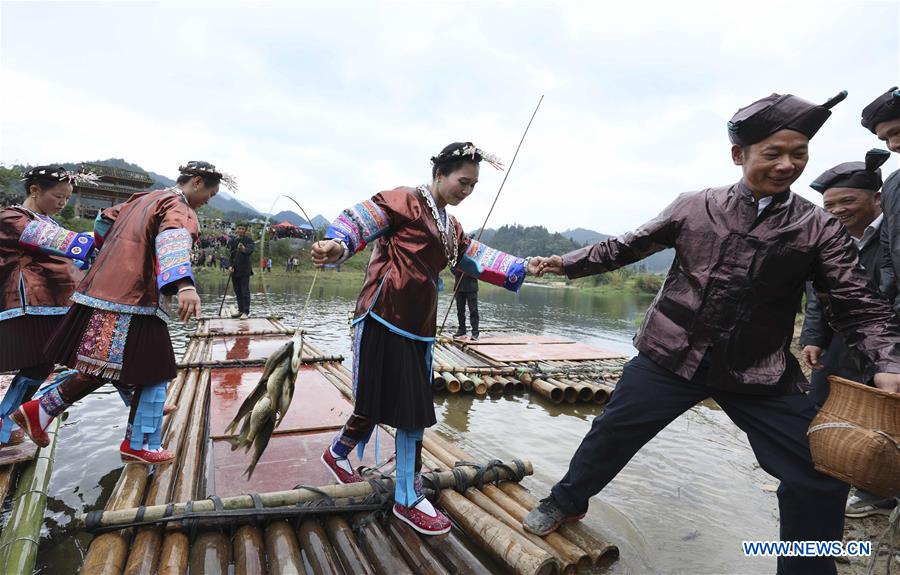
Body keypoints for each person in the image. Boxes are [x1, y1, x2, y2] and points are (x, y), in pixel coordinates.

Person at [526, 91, 900, 575]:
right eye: (774, 153)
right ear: (738, 155)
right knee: (612, 434)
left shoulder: (817, 227)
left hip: (757, 371)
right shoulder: (695, 206)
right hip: (670, 354)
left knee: (819, 473)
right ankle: (568, 500)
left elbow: (857, 302)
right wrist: (566, 262)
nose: (788, 165)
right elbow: (626, 246)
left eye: (799, 154)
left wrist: (889, 361)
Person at [312, 142, 539, 535]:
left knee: (385, 403)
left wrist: (522, 265)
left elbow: (475, 256)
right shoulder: (406, 201)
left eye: (472, 186)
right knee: (407, 411)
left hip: (418, 328)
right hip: (384, 316)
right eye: (462, 181)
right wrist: (337, 243)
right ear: (440, 173)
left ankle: (338, 453)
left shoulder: (450, 227)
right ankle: (406, 497)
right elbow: (361, 220)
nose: (466, 191)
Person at [13, 161, 234, 464]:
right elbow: (172, 239)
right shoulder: (179, 208)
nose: (210, 199)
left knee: (111, 366)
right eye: (210, 192)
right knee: (153, 368)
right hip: (134, 297)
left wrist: (114, 256)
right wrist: (183, 284)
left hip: (106, 291)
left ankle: (41, 411)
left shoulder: (141, 199)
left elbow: (104, 222)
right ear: (196, 182)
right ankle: (139, 443)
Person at [0, 166, 96, 446]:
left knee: (40, 365)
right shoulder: (12, 218)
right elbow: (57, 243)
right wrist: (101, 237)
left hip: (53, 303)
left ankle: (7, 419)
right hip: (29, 303)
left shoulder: (49, 223)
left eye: (67, 198)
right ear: (34, 190)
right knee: (83, 356)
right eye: (58, 196)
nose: (63, 203)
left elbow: (73, 256)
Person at [800, 149, 890, 406]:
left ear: (877, 198)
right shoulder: (827, 242)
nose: (838, 210)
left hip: (889, 342)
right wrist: (813, 339)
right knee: (824, 408)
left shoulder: (892, 236)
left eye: (847, 201)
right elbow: (817, 295)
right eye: (829, 205)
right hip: (840, 342)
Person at [861, 87, 900, 312]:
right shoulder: (893, 186)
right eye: (886, 139)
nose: (893, 145)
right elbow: (888, 257)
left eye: (897, 132)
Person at [451, 243, 480, 339]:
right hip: (459, 287)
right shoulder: (457, 256)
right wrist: (460, 269)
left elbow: (478, 271)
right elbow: (453, 270)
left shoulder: (475, 258)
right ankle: (462, 330)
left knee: (473, 310)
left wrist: (468, 269)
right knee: (460, 310)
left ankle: (475, 332)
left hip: (471, 287)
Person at [228, 223, 255, 319]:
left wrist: (243, 249)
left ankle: (246, 312)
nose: (241, 230)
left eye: (243, 229)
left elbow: (249, 250)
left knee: (244, 291)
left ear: (246, 230)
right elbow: (230, 255)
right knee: (237, 291)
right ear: (236, 230)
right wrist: (230, 266)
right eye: (239, 228)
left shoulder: (249, 240)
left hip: (245, 270)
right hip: (235, 270)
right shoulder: (233, 241)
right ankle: (240, 310)